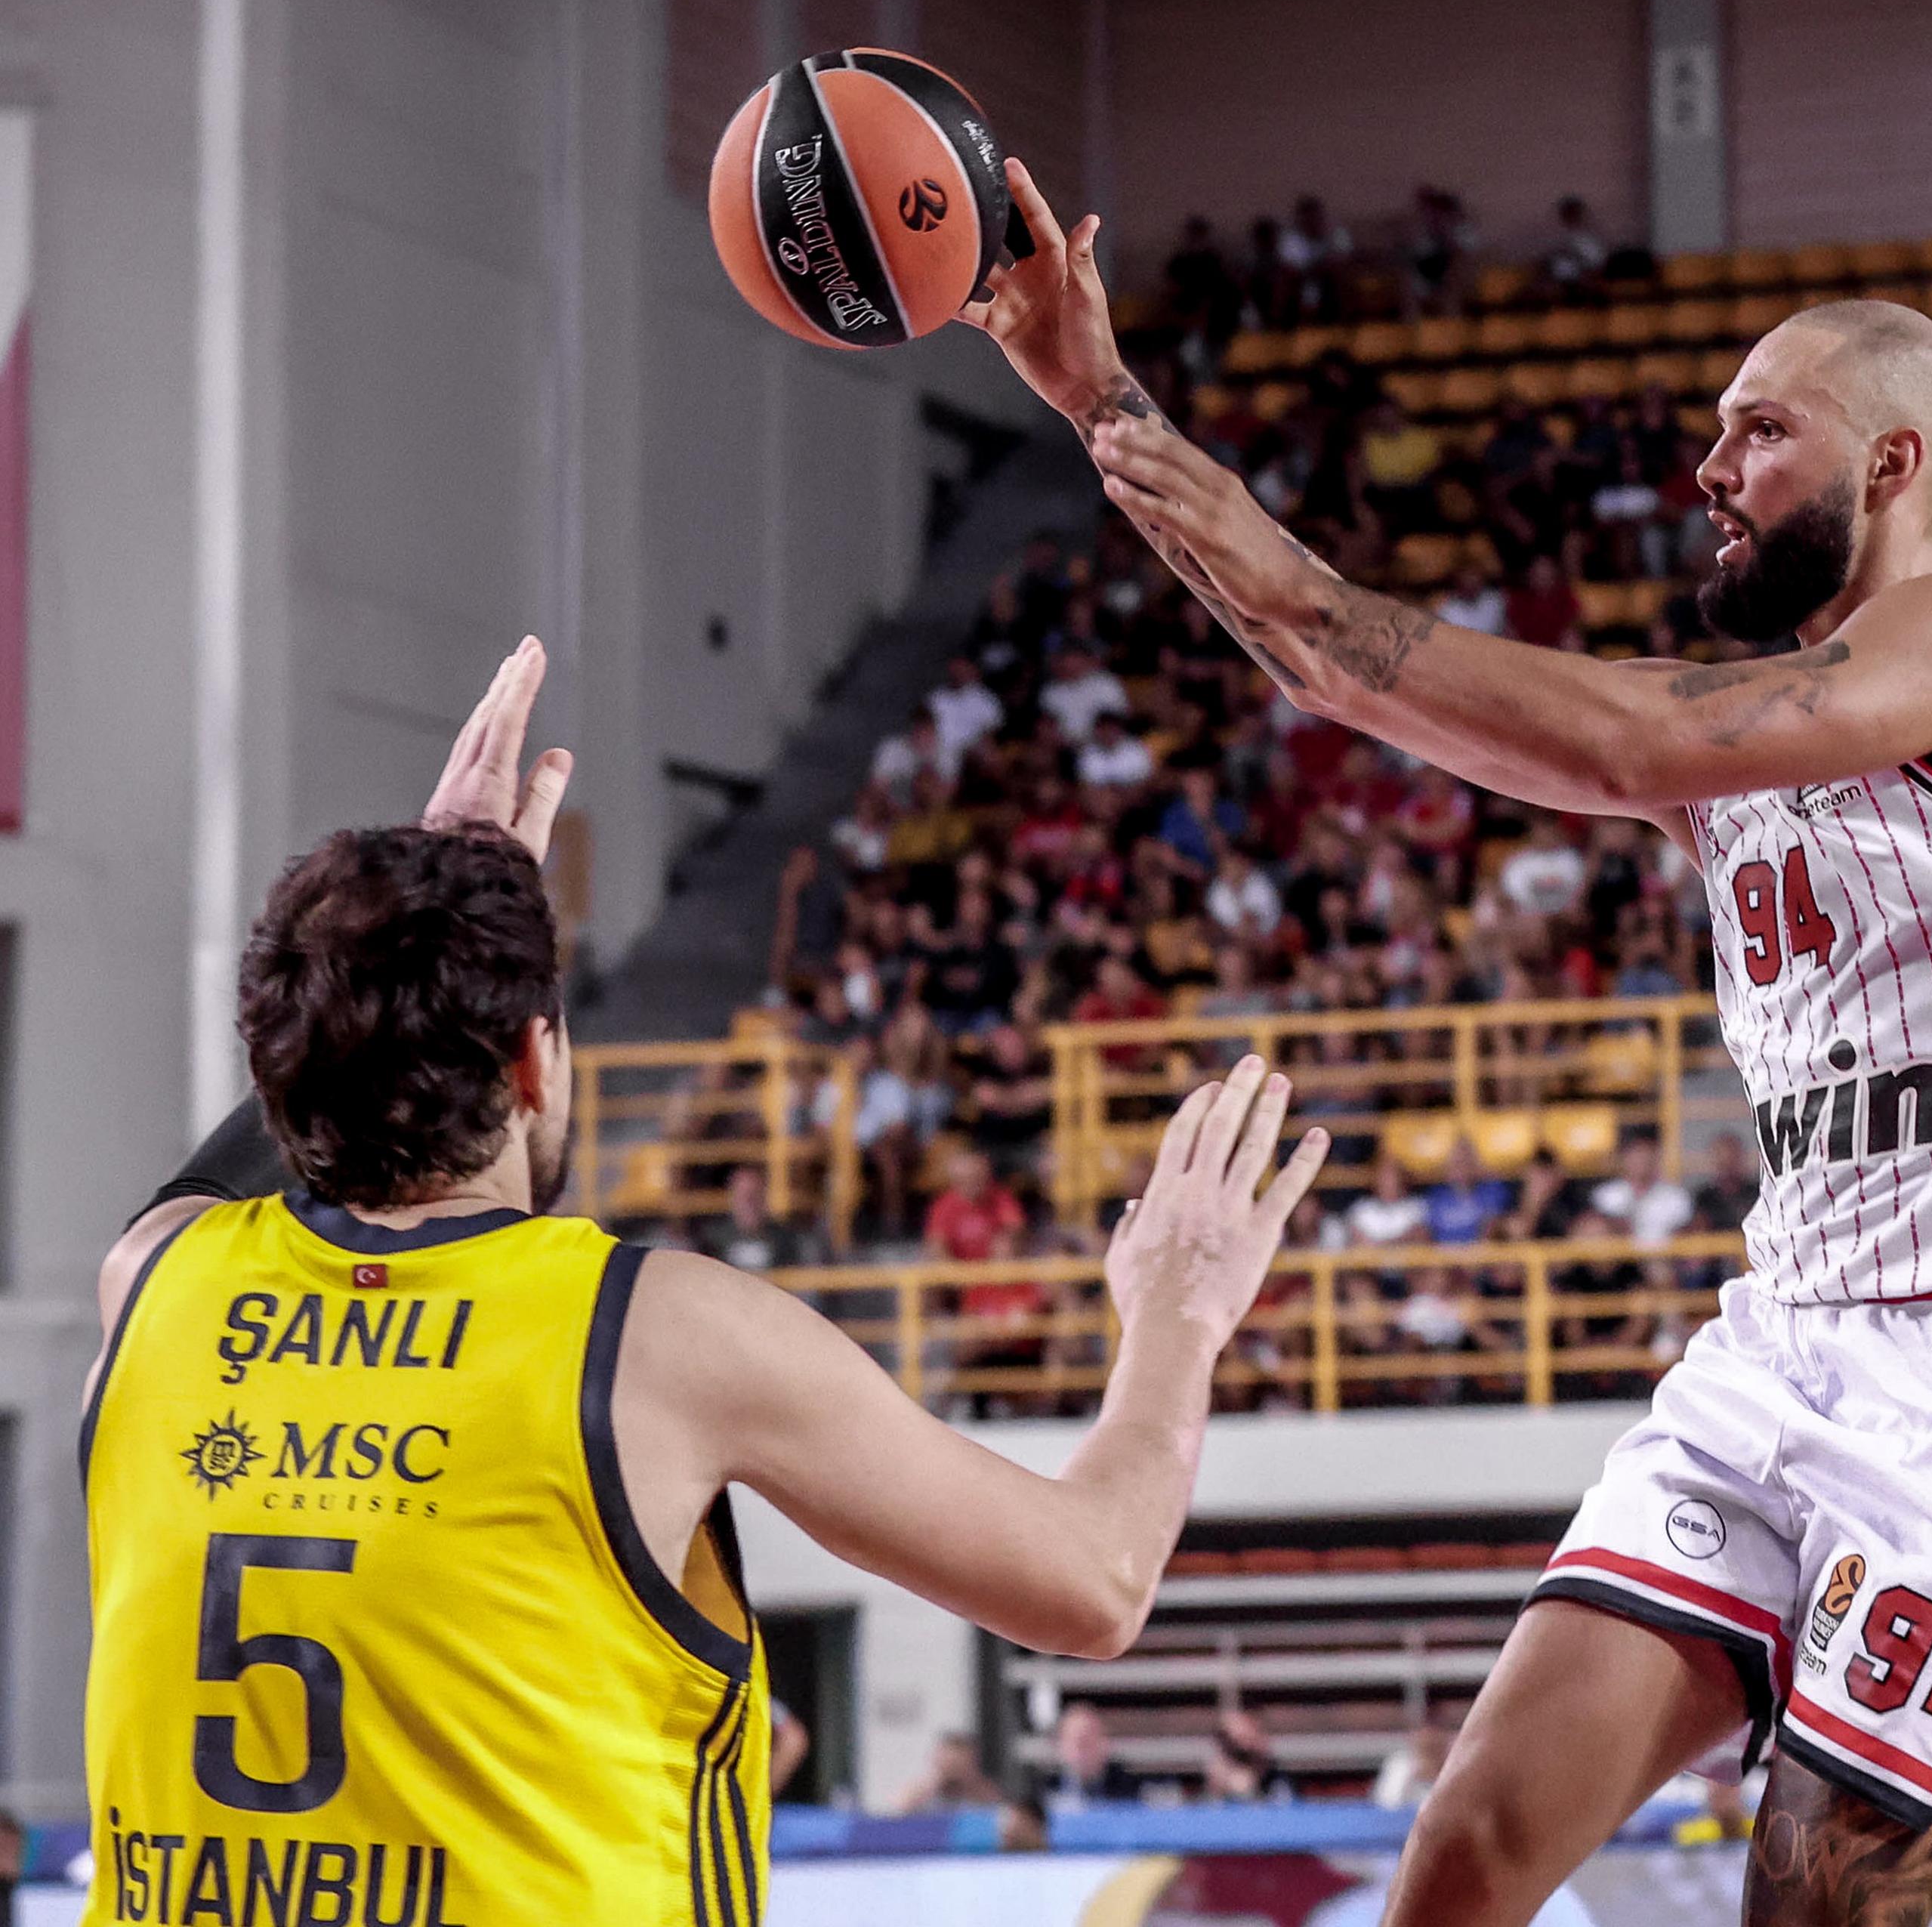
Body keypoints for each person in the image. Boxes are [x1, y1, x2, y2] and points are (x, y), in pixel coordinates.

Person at [965, 159, 1932, 1924]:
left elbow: (1610, 740)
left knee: (1814, 1906)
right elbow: (1331, 666)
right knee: (1460, 1856)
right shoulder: (1735, 748)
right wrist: (1099, 398)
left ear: (1891, 462)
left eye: (1759, 430)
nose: (1708, 468)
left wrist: (1267, 548)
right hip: (1787, 1342)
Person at [76, 640, 1329, 1926]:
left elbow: (257, 1135)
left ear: (284, 1068)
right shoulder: (656, 1334)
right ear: (531, 1063)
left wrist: (413, 911)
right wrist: (1181, 1313)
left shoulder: (157, 1282)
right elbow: (1096, 1582)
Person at [1045, 1702, 1144, 1809]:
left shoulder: (1133, 1790)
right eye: (1075, 1741)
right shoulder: (1042, 1792)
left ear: (1106, 1743)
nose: (1081, 1750)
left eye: (1089, 1741)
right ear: (1059, 1746)